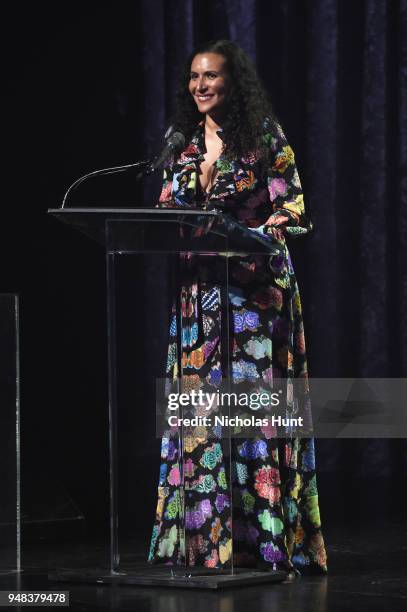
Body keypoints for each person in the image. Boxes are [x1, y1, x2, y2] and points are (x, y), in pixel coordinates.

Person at [148, 39, 327, 574]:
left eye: (212, 77)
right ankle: (205, 544)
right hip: (198, 302)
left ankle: (265, 544)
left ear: (234, 84)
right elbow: (164, 210)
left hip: (255, 297)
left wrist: (269, 225)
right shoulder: (179, 143)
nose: (201, 86)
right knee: (201, 417)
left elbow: (293, 205)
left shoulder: (262, 136)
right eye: (194, 77)